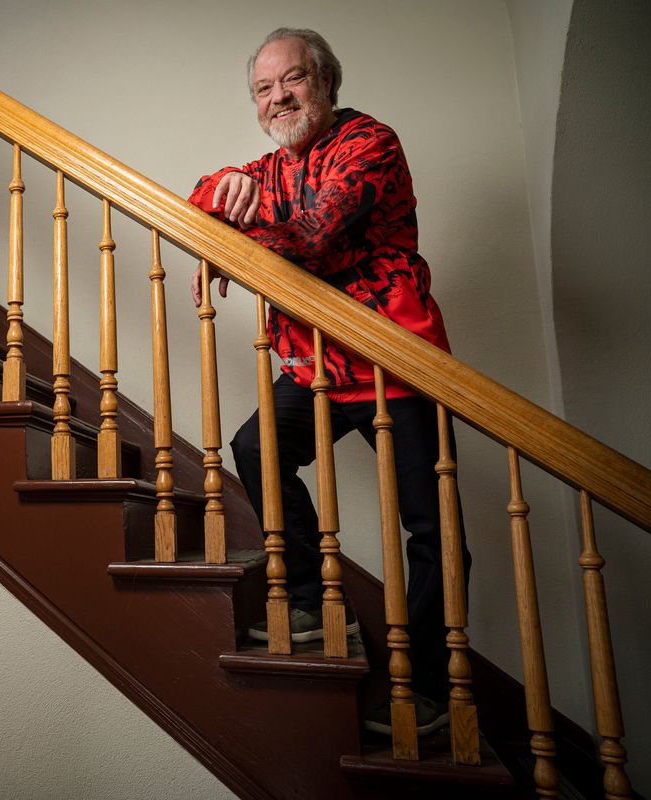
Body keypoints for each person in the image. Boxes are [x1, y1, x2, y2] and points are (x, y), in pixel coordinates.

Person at [187, 28, 468, 736]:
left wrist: (229, 240)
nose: (278, 97)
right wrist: (224, 189)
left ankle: (432, 690)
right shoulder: (268, 168)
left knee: (431, 528)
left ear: (327, 81)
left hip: (397, 359)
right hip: (317, 365)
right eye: (263, 88)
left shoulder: (369, 143)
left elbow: (317, 239)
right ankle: (312, 598)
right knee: (256, 449)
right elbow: (196, 202)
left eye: (293, 80)